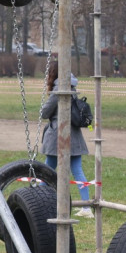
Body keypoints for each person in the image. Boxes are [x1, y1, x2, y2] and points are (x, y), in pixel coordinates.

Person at [39, 61, 93, 217]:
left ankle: (38, 200)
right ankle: (86, 207)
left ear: (54, 73)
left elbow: (45, 112)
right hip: (74, 135)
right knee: (77, 171)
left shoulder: (58, 90)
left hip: (58, 136)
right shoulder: (72, 87)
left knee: (47, 170)